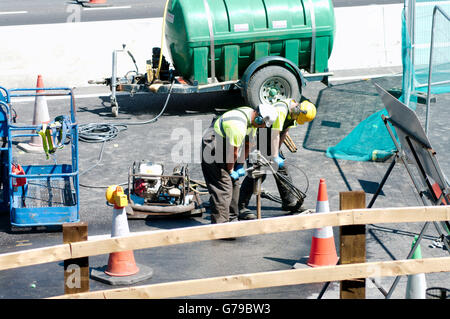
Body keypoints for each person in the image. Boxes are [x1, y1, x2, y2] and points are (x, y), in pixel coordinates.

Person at [238, 97, 317, 220]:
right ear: (298, 110)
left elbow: (284, 131)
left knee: (281, 169)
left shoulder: (295, 112)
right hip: (259, 135)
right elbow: (275, 133)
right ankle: (241, 206)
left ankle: (289, 203)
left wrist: (277, 153)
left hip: (270, 139)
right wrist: (274, 156)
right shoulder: (282, 110)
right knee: (258, 172)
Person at [201, 104, 278, 225]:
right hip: (213, 143)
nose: (262, 127)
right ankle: (220, 226)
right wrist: (231, 170)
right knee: (223, 186)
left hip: (227, 143)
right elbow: (233, 153)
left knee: (234, 183)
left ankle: (232, 219)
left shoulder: (252, 120)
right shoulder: (238, 126)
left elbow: (248, 144)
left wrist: (240, 166)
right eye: (262, 124)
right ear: (258, 117)